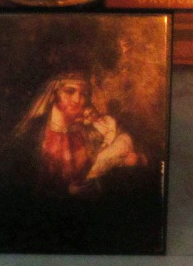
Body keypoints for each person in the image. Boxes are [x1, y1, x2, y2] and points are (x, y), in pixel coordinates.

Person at [12, 72, 142, 196]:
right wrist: (66, 191)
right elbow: (25, 185)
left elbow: (102, 170)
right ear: (53, 93)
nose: (77, 99)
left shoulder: (92, 130)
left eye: (83, 94)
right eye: (69, 91)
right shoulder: (33, 134)